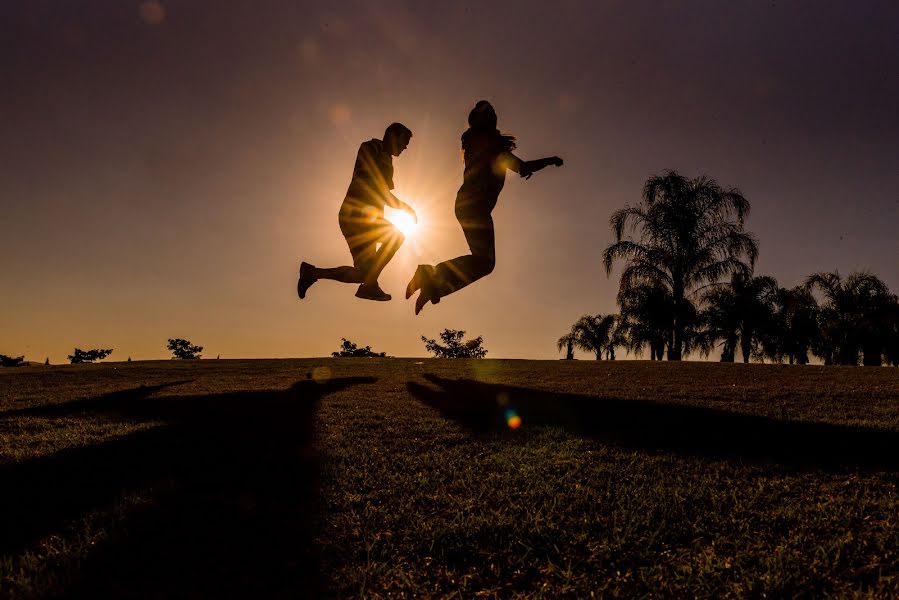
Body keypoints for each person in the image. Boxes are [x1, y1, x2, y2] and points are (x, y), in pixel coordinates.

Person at [405, 101, 562, 314]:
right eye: (489, 114)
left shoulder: (479, 143)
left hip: (468, 206)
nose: (494, 116)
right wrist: (549, 160)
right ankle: (430, 275)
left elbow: (515, 165)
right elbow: (521, 166)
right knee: (485, 263)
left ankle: (433, 284)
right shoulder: (488, 145)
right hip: (473, 206)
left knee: (483, 262)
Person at [298, 123, 416, 301]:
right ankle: (370, 285)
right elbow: (374, 187)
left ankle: (313, 273)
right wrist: (404, 207)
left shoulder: (388, 161)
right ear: (394, 135)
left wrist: (399, 206)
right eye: (404, 141)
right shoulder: (371, 147)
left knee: (363, 274)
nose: (405, 147)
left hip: (367, 219)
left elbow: (384, 193)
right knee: (396, 237)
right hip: (356, 215)